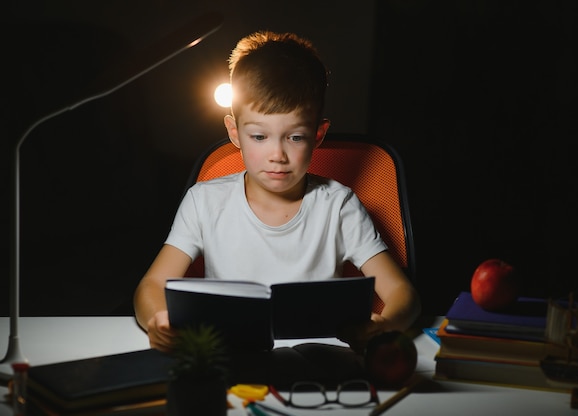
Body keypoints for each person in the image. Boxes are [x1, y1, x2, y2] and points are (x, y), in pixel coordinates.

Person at [134, 30, 421, 353]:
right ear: (234, 132)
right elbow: (151, 284)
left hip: (318, 359)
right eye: (259, 136)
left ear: (318, 134)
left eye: (295, 137)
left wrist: (385, 325)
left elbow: (402, 293)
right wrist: (158, 318)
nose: (277, 155)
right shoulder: (204, 201)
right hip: (232, 359)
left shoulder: (338, 205)